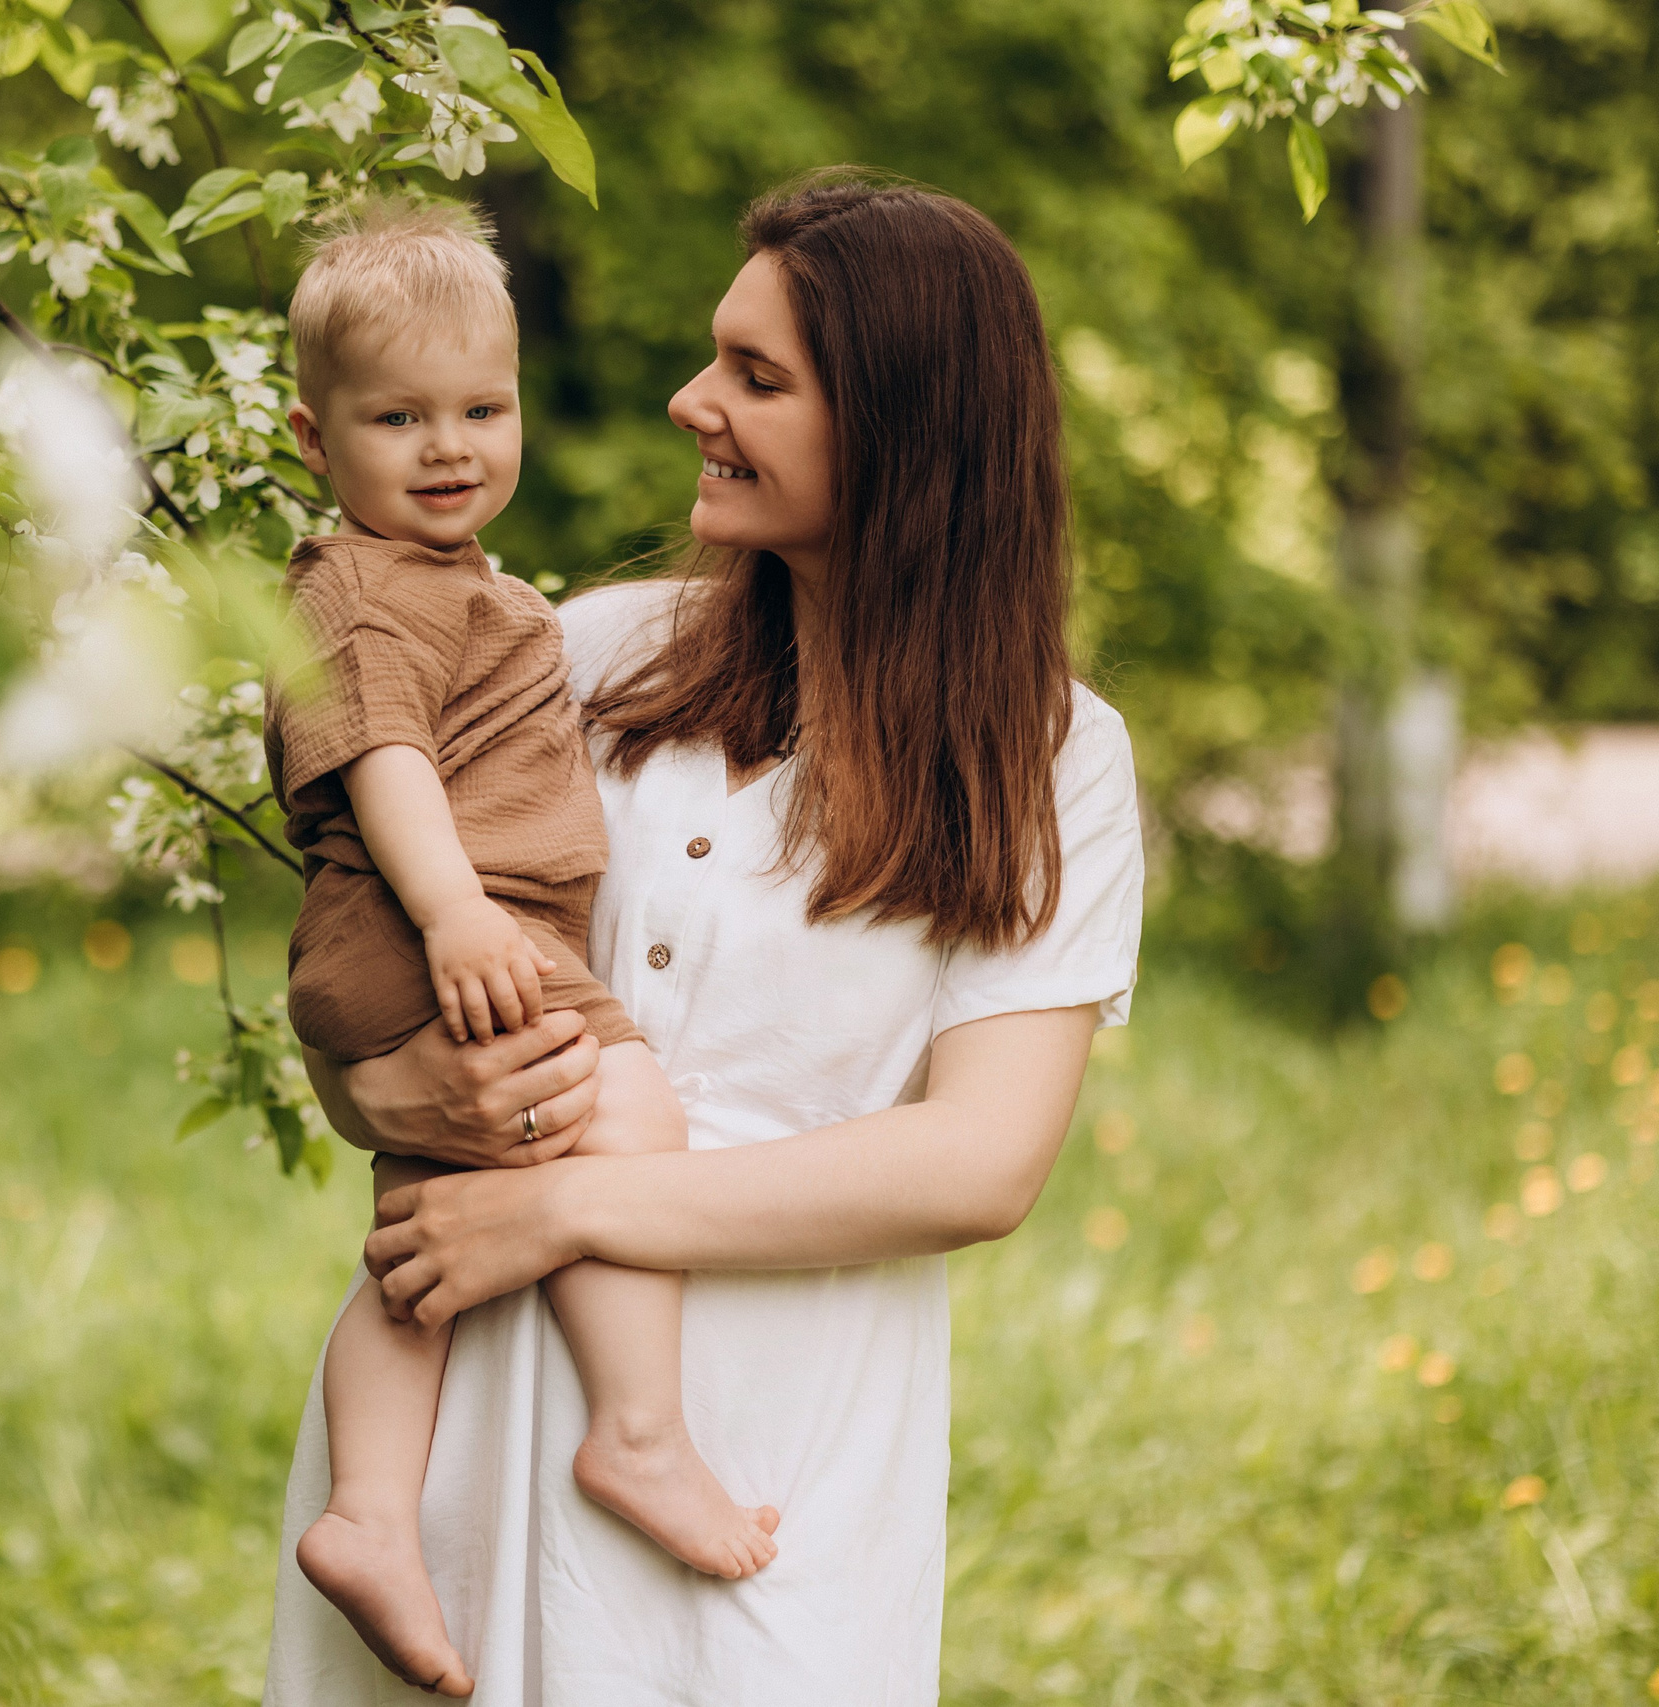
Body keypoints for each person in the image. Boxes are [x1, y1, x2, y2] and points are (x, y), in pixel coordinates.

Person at [262, 171, 1145, 1704]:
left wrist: (565, 1218)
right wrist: (381, 1102)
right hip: (466, 1390)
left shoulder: (1051, 756)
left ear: (899, 426)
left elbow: (978, 1166)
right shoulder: (580, 654)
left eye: (755, 375)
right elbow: (382, 968)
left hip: (766, 1447)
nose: (689, 401)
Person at [266, 200, 778, 1702]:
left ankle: (367, 1512)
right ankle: (636, 1432)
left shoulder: (478, 593)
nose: (447, 448)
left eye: (481, 410)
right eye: (398, 417)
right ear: (313, 437)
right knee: (628, 1111)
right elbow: (386, 768)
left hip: (432, 939)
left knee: (429, 1235)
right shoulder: (358, 596)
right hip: (447, 927)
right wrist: (457, 914)